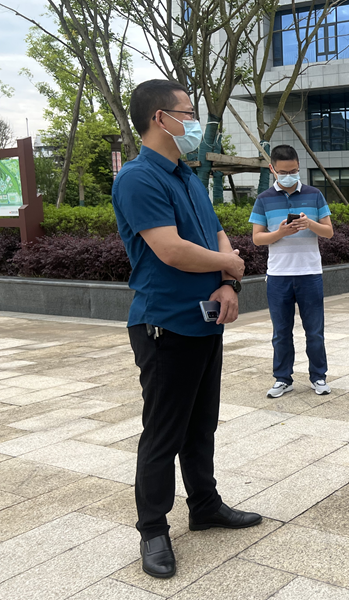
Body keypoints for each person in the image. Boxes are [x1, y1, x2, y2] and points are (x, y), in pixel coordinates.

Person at [112, 79, 262, 579]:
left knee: (201, 425)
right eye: (189, 113)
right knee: (163, 432)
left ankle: (205, 505)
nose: (196, 123)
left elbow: (215, 232)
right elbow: (171, 249)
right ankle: (153, 529)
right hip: (164, 325)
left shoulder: (187, 175)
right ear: (161, 118)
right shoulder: (138, 178)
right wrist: (231, 264)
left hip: (206, 320)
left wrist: (228, 281)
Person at [250, 144, 334, 399]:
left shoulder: (314, 195)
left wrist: (310, 224)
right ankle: (282, 379)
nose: (290, 176)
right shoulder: (263, 199)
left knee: (315, 331)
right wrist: (280, 233)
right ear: (272, 169)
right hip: (278, 276)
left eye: (294, 171)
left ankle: (318, 376)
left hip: (310, 273)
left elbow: (329, 232)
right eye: (284, 172)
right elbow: (257, 238)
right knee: (281, 333)